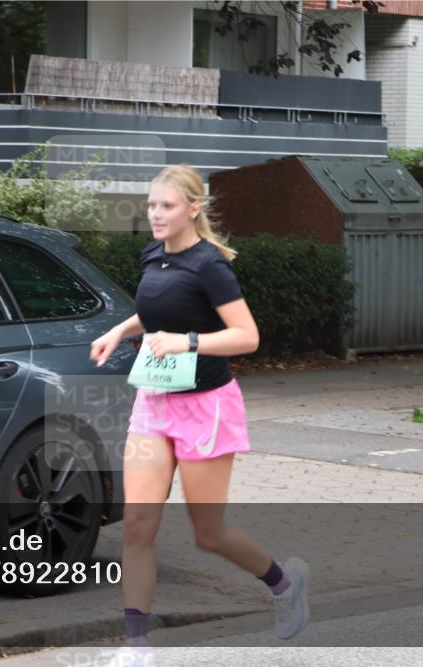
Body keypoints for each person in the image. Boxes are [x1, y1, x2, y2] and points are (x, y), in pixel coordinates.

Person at [89, 165, 309, 666]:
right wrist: (122, 331)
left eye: (166, 206)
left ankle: (283, 581)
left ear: (193, 208)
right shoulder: (153, 256)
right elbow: (159, 309)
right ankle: (136, 649)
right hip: (154, 402)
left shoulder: (211, 265)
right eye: (150, 206)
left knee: (208, 534)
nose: (155, 215)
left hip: (205, 408)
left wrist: (187, 341)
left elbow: (247, 337)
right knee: (138, 526)